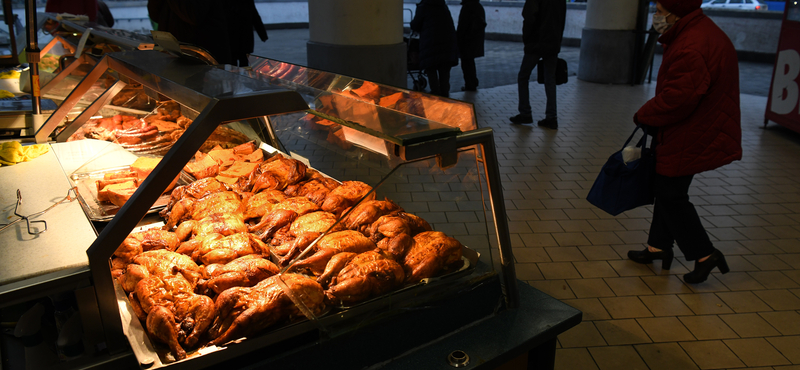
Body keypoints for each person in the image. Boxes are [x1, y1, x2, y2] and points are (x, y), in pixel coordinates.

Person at [626, 0, 742, 284]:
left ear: (675, 12)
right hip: (698, 125)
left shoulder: (691, 44)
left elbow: (679, 98)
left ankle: (705, 255)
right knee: (668, 187)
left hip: (691, 129)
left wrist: (643, 114)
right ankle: (659, 248)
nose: (656, 16)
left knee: (670, 193)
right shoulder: (699, 31)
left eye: (659, 10)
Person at [147, 0, 267, 66]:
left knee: (241, 62)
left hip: (205, 59)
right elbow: (155, 14)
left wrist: (262, 34)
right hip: (182, 54)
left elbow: (193, 15)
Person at [509, 0, 566, 129]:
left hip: (536, 42)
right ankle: (551, 117)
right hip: (553, 42)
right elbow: (561, 19)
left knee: (523, 76)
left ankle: (525, 113)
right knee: (550, 79)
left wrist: (528, 40)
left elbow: (529, 16)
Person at [410, 0, 459, 98]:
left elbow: (415, 24)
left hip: (430, 44)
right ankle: (445, 96)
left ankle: (436, 95)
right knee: (444, 72)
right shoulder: (443, 5)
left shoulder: (424, 6)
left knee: (431, 69)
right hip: (447, 44)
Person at [457, 0, 486, 92]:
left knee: (466, 63)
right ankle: (472, 82)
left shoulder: (467, 7)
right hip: (475, 39)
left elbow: (462, 26)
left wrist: (458, 38)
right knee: (470, 62)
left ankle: (470, 84)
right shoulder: (478, 6)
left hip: (466, 40)